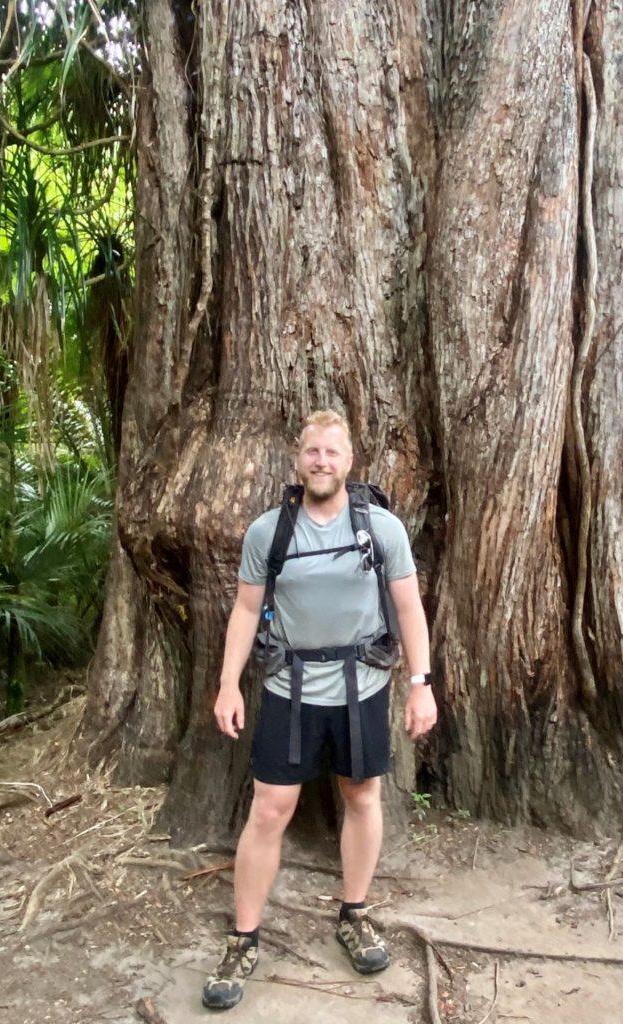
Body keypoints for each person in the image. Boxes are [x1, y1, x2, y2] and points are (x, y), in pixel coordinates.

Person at [202, 409, 438, 1011]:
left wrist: (421, 683)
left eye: (332, 452)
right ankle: (244, 937)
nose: (321, 461)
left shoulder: (380, 528)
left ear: (349, 461)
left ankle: (354, 914)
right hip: (290, 687)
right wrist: (228, 685)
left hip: (362, 684)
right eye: (312, 452)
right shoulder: (269, 532)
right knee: (270, 808)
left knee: (361, 795)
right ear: (298, 458)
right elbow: (247, 612)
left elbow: (409, 608)